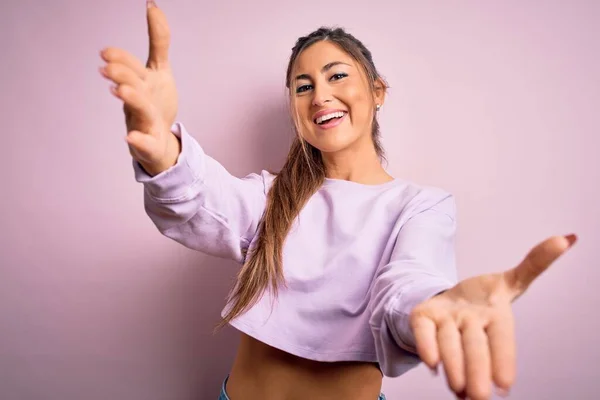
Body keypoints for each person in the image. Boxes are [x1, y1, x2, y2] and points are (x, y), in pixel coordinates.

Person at [99, 2, 577, 399]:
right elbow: (201, 200)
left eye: (336, 76)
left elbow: (407, 282)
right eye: (303, 86)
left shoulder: (418, 205)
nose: (319, 95)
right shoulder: (271, 197)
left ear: (377, 91)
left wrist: (435, 305)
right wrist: (165, 151)